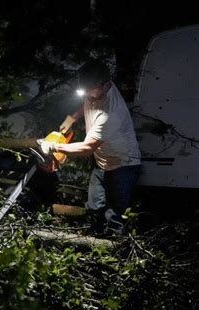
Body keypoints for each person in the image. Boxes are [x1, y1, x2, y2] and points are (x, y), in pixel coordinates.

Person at [38, 60, 141, 235]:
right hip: (102, 161)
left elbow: (86, 148)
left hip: (123, 164)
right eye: (83, 90)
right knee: (93, 208)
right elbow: (88, 99)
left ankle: (113, 252)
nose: (86, 94)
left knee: (113, 216)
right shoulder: (95, 88)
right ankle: (94, 240)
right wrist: (73, 117)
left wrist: (54, 146)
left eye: (90, 90)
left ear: (107, 85)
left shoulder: (111, 114)